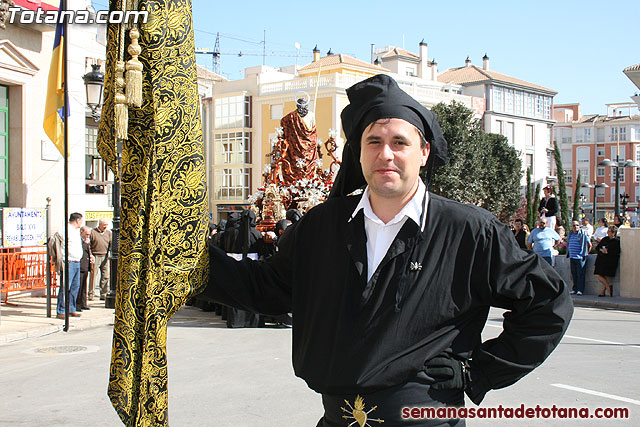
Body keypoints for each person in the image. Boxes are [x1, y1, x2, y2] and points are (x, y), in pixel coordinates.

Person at [204, 74, 572, 425]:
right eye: (374, 142)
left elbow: (547, 302)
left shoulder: (469, 231)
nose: (386, 154)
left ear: (424, 152)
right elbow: (264, 288)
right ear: (359, 153)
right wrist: (183, 255)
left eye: (400, 142)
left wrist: (480, 370)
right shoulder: (322, 227)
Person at [280, 97, 319, 184]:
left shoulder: (312, 115)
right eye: (300, 105)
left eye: (304, 105)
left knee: (310, 167)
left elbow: (313, 132)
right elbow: (284, 120)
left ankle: (310, 183)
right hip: (295, 147)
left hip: (310, 147)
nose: (302, 107)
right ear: (297, 106)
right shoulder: (291, 117)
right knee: (295, 167)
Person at [56, 212, 84, 319]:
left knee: (75, 287)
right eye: (81, 220)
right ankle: (61, 310)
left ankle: (71, 308)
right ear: (77, 220)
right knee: (65, 286)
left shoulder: (76, 231)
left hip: (77, 261)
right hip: (69, 261)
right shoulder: (65, 230)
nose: (81, 222)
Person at [594, 225, 621, 297]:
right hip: (601, 260)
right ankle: (609, 288)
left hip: (609, 261)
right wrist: (601, 250)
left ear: (613, 233)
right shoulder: (605, 239)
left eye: (609, 231)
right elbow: (597, 247)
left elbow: (616, 252)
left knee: (607, 277)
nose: (608, 233)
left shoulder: (617, 241)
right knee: (597, 274)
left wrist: (607, 252)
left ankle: (603, 292)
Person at [566, 220, 592, 296]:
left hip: (580, 257)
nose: (575, 227)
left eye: (577, 225)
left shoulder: (583, 234)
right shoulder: (570, 234)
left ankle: (580, 290)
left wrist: (586, 253)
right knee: (574, 274)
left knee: (580, 274)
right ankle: (575, 289)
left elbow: (589, 244)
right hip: (572, 257)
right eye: (574, 225)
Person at [89, 218, 112, 300]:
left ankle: (103, 293)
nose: (105, 226)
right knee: (93, 275)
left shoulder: (108, 233)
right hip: (95, 255)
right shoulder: (93, 232)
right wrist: (90, 254)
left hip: (105, 256)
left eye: (106, 225)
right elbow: (89, 244)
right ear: (100, 224)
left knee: (105, 275)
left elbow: (111, 243)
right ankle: (91, 293)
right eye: (104, 225)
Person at [77, 226, 95, 311]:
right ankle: (78, 304)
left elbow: (88, 251)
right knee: (79, 286)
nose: (87, 236)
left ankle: (83, 303)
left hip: (86, 265)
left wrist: (91, 256)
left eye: (89, 235)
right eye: (86, 234)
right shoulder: (79, 241)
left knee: (84, 286)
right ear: (81, 232)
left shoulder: (87, 241)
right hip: (80, 266)